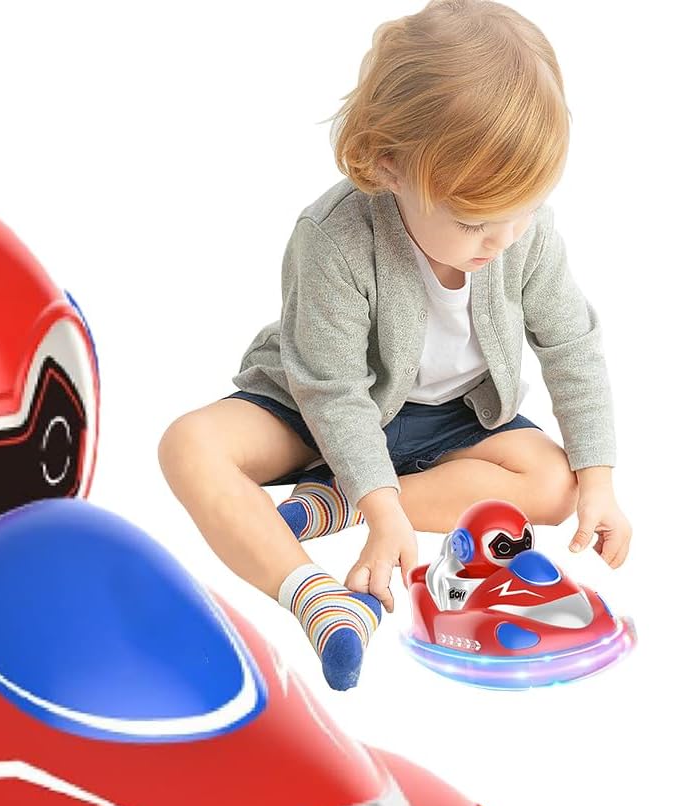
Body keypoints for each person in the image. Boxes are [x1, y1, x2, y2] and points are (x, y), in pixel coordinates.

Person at [157, 0, 630, 690]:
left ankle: (341, 502)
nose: (502, 241)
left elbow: (571, 346)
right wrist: (383, 511)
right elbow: (332, 392)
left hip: (450, 419)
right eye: (473, 222)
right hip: (319, 403)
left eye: (521, 212)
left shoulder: (521, 234)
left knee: (557, 484)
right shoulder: (335, 238)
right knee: (188, 445)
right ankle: (313, 595)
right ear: (388, 167)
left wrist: (600, 480)